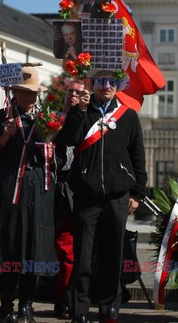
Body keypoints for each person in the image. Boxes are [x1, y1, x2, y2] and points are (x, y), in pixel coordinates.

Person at [55, 70, 147, 323]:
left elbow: (138, 157)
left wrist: (138, 193)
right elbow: (66, 140)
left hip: (117, 197)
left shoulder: (128, 116)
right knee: (82, 258)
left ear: (117, 85)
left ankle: (110, 308)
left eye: (110, 82)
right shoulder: (84, 112)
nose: (105, 86)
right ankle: (79, 310)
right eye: (100, 81)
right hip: (86, 195)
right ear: (92, 85)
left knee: (112, 257)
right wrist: (78, 112)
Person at [0, 67, 55, 323]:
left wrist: (54, 154)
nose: (30, 98)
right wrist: (4, 137)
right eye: (25, 93)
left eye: (33, 93)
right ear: (15, 92)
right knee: (9, 248)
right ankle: (6, 305)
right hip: (11, 190)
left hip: (39, 192)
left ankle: (27, 306)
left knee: (34, 249)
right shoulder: (2, 117)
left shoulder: (47, 120)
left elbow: (64, 159)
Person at [53, 80, 85, 319]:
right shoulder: (52, 118)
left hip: (77, 192)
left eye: (79, 92)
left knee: (70, 252)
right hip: (52, 190)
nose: (73, 94)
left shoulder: (88, 120)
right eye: (70, 91)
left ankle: (66, 300)